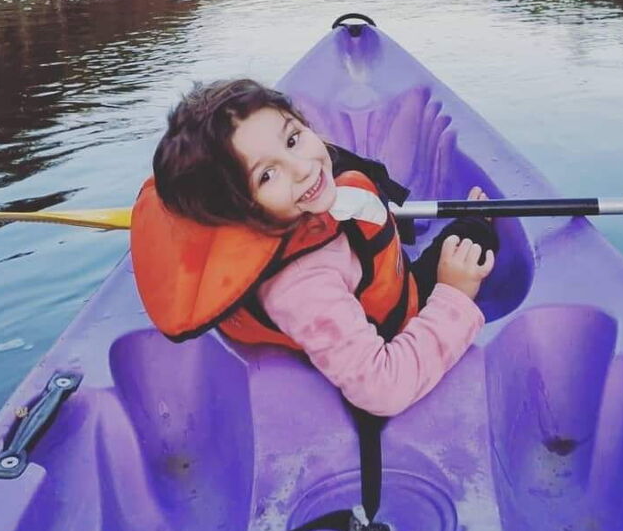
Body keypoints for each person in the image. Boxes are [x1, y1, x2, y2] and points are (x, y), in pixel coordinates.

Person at [130, 78, 498, 417]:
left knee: (461, 238)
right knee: (477, 243)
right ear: (237, 212)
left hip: (384, 292)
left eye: (292, 139)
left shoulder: (299, 201)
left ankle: (467, 230)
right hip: (390, 332)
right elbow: (384, 389)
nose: (303, 168)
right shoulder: (303, 287)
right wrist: (453, 295)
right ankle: (472, 231)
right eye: (267, 175)